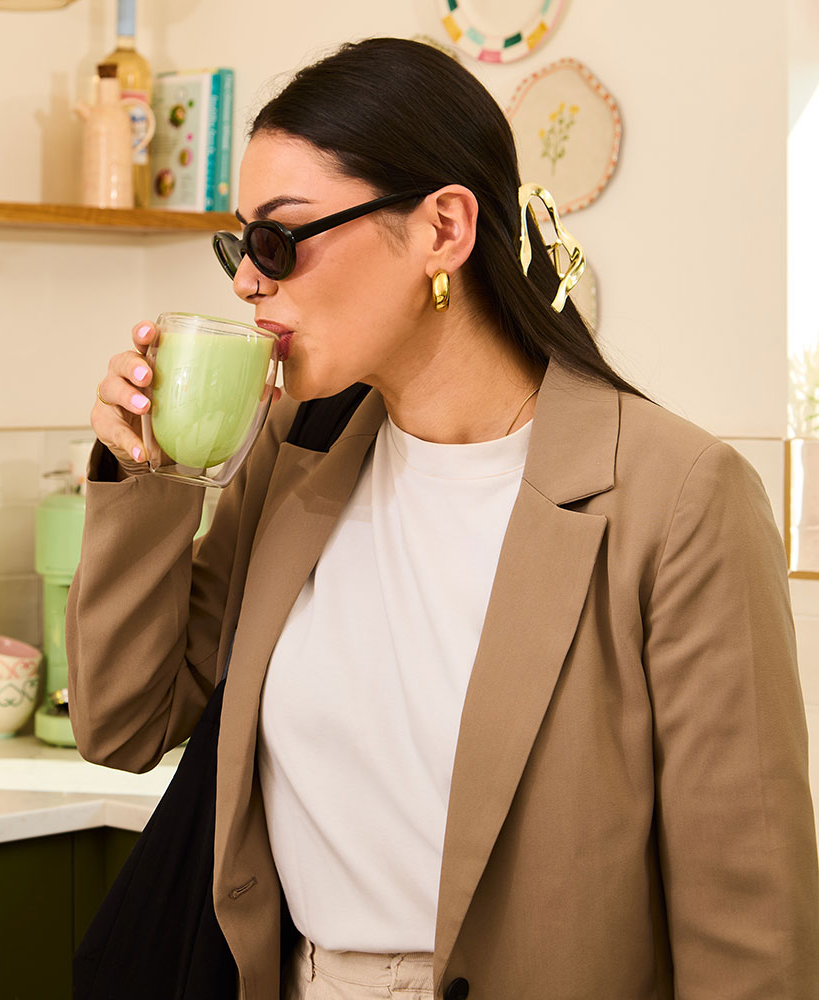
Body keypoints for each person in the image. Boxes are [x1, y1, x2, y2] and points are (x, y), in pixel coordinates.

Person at [66, 36, 819, 1000]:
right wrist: (155, 471)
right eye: (239, 244)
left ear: (444, 229)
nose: (249, 280)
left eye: (279, 239)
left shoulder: (677, 496)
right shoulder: (294, 459)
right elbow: (123, 726)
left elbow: (749, 930)